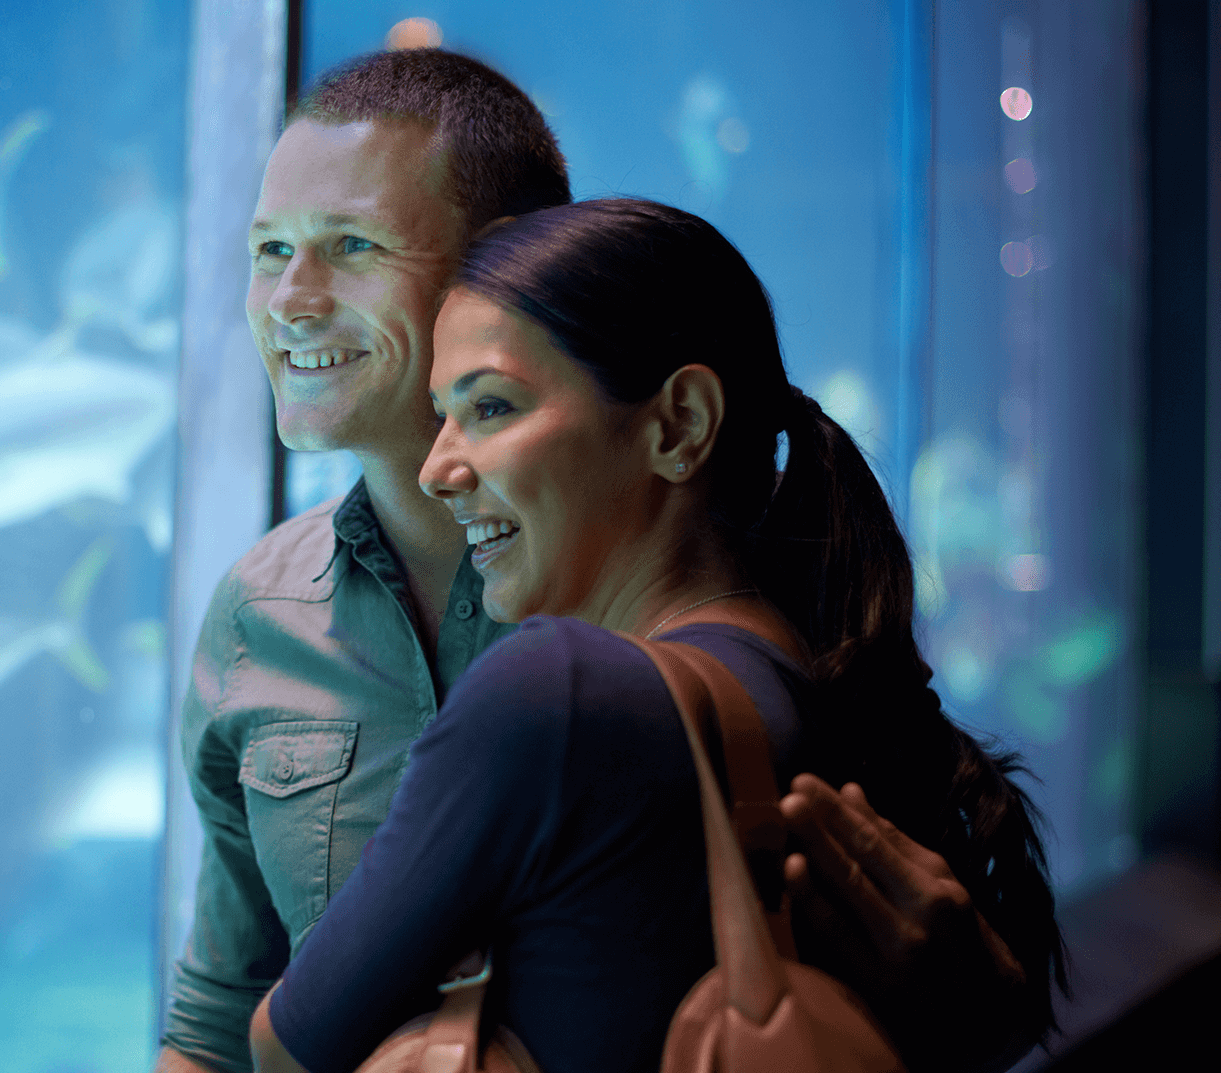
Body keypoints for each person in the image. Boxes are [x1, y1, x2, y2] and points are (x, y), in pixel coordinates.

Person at [158, 49, 1056, 1073]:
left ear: (502, 260)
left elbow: (938, 962)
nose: (289, 296)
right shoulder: (255, 610)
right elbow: (214, 1018)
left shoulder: (676, 623)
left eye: (350, 245)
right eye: (267, 249)